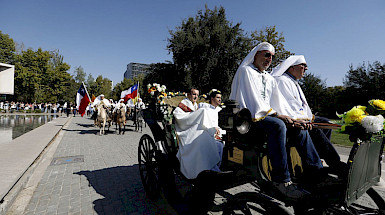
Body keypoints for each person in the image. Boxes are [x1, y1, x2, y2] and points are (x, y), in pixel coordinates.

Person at [229, 42, 323, 199]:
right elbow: (254, 103)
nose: (269, 59)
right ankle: (281, 180)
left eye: (272, 57)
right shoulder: (246, 71)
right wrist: (279, 116)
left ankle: (315, 172)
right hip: (249, 119)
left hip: (266, 116)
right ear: (256, 55)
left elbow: (277, 104)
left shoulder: (269, 78)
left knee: (298, 128)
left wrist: (292, 119)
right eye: (266, 55)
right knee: (278, 125)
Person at [271, 55, 345, 173]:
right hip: (288, 122)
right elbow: (284, 107)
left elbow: (300, 106)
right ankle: (321, 166)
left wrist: (309, 118)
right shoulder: (282, 81)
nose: (306, 69)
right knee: (313, 129)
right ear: (292, 67)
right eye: (303, 65)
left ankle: (319, 158)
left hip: (300, 119)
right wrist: (302, 120)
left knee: (326, 123)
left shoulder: (293, 82)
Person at [173, 87, 224, 179]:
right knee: (201, 143)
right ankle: (200, 170)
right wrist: (195, 115)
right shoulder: (183, 105)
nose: (195, 96)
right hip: (186, 132)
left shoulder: (196, 105)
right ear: (188, 95)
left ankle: (210, 167)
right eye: (193, 94)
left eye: (197, 94)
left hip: (194, 130)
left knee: (213, 143)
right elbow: (179, 117)